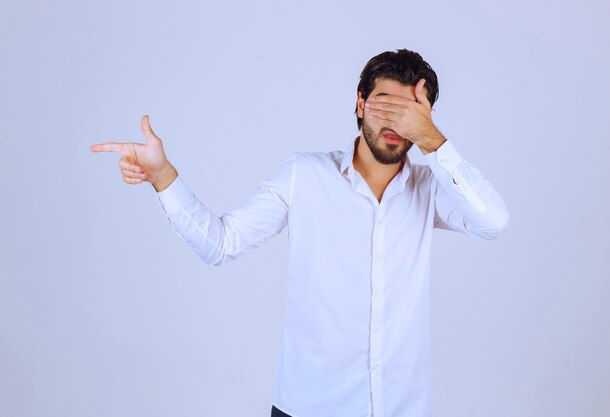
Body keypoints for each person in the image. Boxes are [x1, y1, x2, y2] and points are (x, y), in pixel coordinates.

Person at [90, 48, 509, 417]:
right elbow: (221, 244)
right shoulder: (305, 176)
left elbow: (493, 222)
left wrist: (434, 141)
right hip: (309, 407)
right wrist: (162, 175)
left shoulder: (432, 188)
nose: (395, 121)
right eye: (384, 104)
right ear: (360, 103)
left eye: (411, 112)